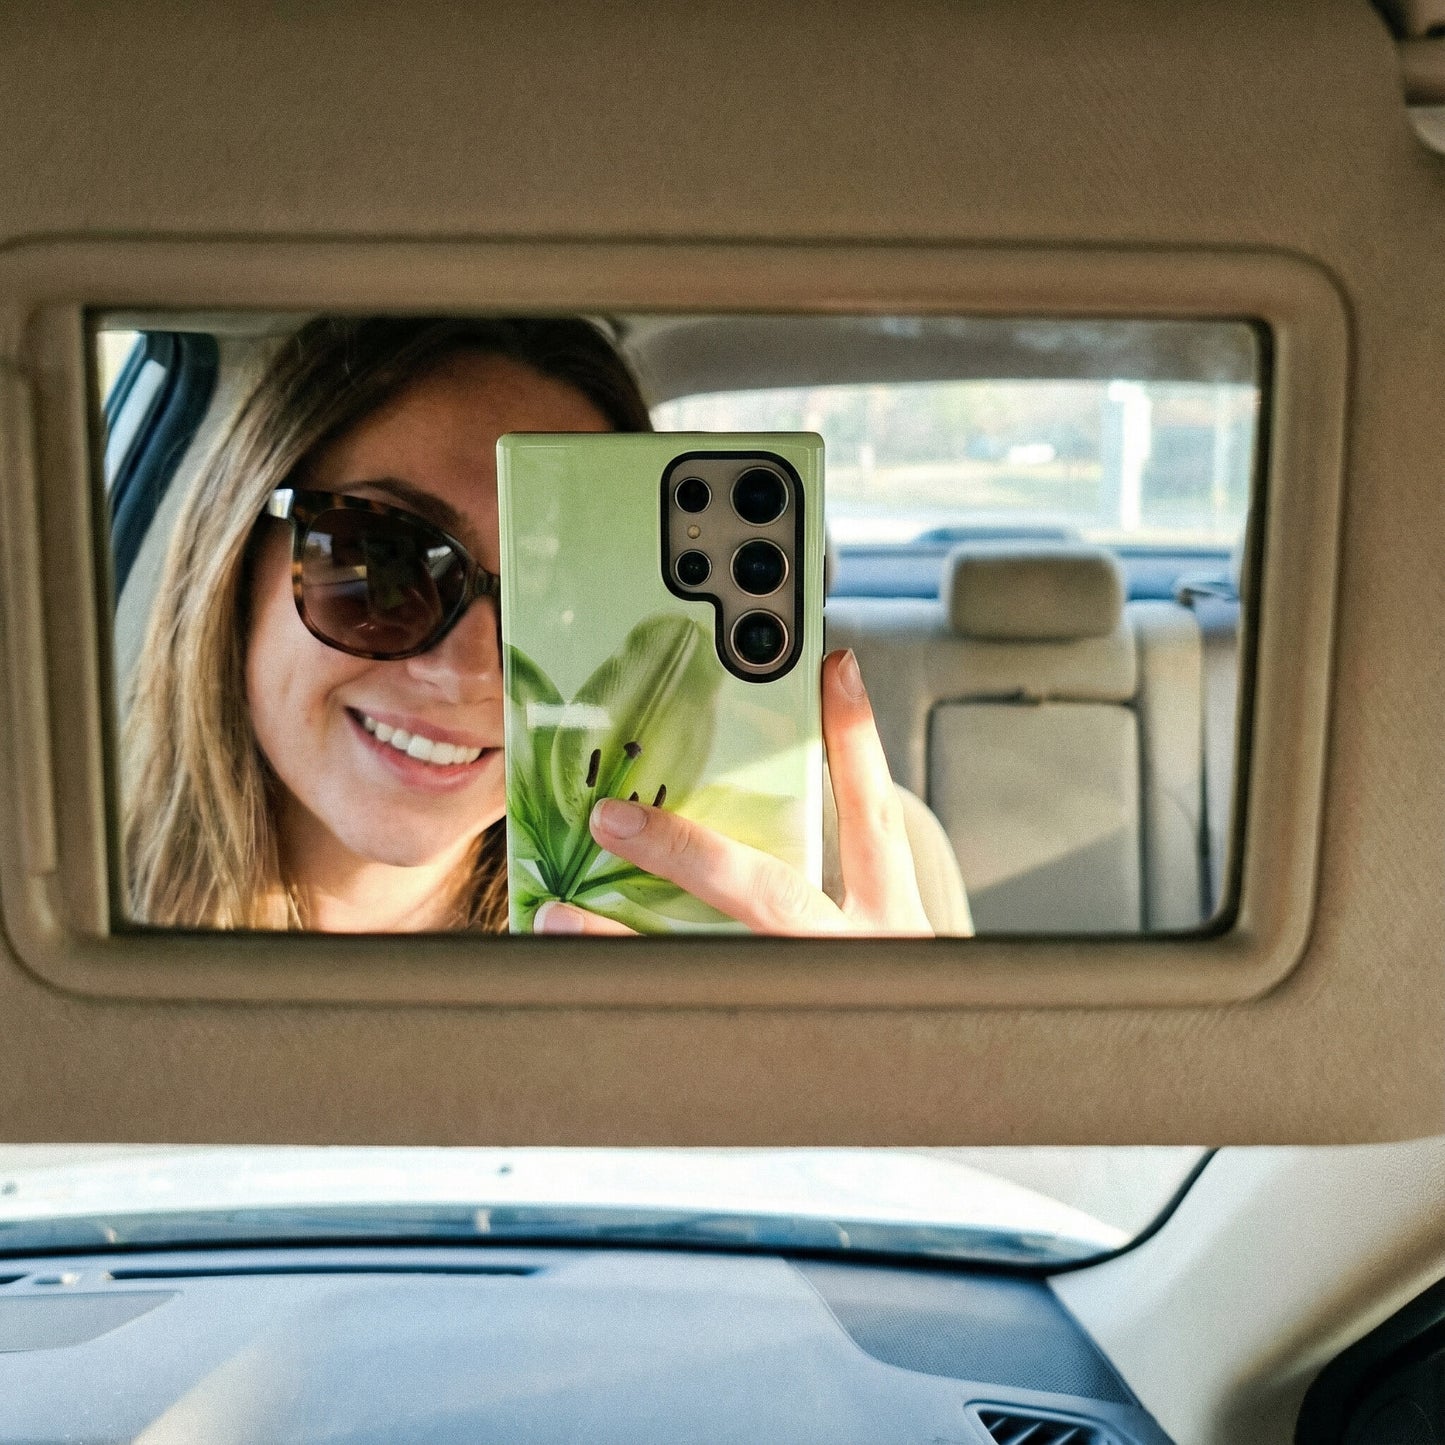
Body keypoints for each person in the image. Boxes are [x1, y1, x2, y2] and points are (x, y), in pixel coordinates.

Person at [124, 315, 934, 935]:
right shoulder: (53, 926)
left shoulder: (806, 903)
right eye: (382, 560)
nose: (471, 668)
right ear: (235, 564)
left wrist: (855, 1066)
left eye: (558, 593)